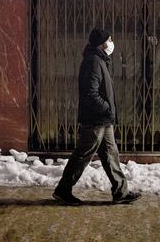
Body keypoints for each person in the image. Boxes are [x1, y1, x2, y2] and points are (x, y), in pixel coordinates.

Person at [53, 27, 141, 206]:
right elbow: (90, 93)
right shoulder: (93, 61)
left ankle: (120, 192)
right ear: (102, 43)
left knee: (110, 154)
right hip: (95, 119)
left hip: (103, 119)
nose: (111, 43)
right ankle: (63, 190)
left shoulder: (100, 60)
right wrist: (107, 108)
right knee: (83, 154)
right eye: (109, 39)